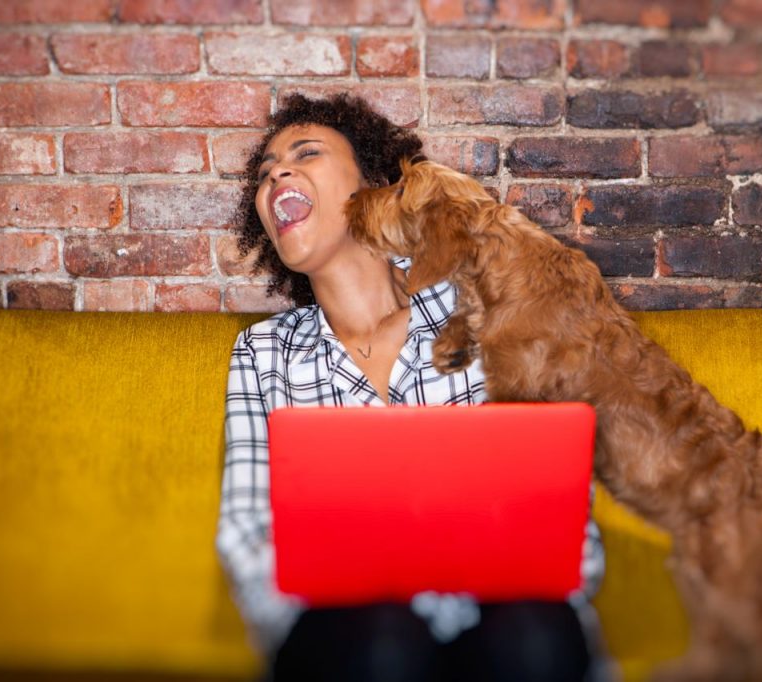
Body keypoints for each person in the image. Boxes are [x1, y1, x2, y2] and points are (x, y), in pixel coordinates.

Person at [215, 93, 606, 682]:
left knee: (536, 643)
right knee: (388, 646)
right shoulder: (261, 353)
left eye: (305, 154)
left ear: (374, 183)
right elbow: (247, 537)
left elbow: (569, 530)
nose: (277, 175)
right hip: (350, 633)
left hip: (498, 621)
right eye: (266, 173)